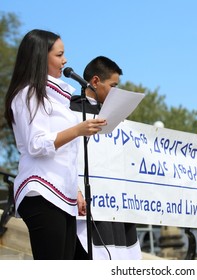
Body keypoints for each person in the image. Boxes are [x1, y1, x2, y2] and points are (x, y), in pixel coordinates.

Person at [3, 29, 107, 260]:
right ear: (41, 57)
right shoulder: (28, 93)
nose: (65, 60)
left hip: (63, 193)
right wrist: (77, 130)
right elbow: (36, 145)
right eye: (60, 55)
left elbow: (64, 153)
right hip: (41, 192)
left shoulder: (59, 98)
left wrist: (76, 189)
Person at [70, 56, 142, 260]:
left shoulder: (117, 117)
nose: (116, 92)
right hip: (87, 201)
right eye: (113, 85)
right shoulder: (70, 111)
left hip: (117, 202)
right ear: (95, 82)